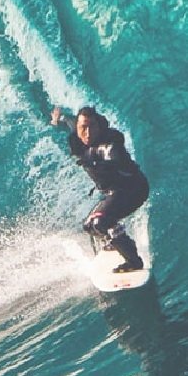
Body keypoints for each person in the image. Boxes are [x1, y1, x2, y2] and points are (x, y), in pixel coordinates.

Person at [50, 104, 149, 272]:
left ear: (99, 126)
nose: (88, 133)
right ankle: (116, 239)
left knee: (101, 221)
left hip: (133, 190)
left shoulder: (109, 146)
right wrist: (58, 119)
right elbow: (69, 122)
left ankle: (134, 262)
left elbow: (115, 157)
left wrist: (105, 163)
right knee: (89, 226)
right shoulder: (78, 131)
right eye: (83, 128)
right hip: (114, 193)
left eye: (92, 127)